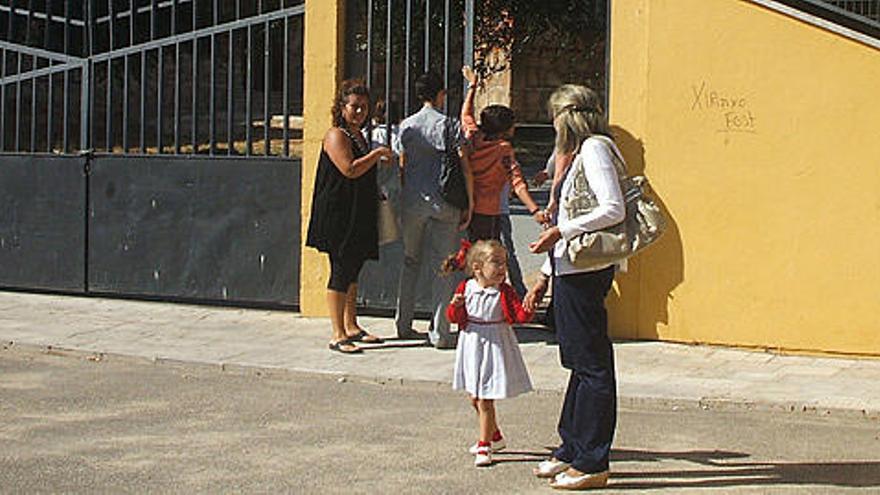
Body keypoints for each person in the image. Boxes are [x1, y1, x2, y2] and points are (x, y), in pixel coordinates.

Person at [523, 84, 626, 490]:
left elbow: (612, 207)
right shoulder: (580, 151)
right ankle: (572, 446)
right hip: (570, 268)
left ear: (568, 117)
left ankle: (593, 459)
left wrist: (561, 230)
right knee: (580, 360)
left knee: (593, 365)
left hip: (585, 269)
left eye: (555, 117)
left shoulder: (596, 148)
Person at [305, 79, 393, 354]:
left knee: (353, 269)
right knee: (341, 270)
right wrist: (378, 154)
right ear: (341, 107)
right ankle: (337, 333)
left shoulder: (358, 135)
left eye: (364, 107)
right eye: (354, 106)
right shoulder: (336, 135)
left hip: (358, 210)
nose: (359, 112)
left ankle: (351, 325)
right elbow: (350, 169)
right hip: (339, 214)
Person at [395, 72, 472, 349]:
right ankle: (440, 331)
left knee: (410, 261)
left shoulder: (406, 126)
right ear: (440, 94)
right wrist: (469, 201)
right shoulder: (449, 125)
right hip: (445, 201)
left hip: (413, 200)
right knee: (445, 266)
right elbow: (463, 165)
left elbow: (401, 164)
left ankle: (403, 324)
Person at [444, 239, 533, 467]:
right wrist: (455, 306)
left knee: (485, 398)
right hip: (472, 343)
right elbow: (455, 318)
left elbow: (519, 317)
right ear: (477, 267)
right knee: (474, 396)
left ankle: (484, 444)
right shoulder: (466, 288)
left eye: (504, 263)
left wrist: (529, 305)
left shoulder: (504, 291)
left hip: (494, 344)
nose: (502, 269)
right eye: (496, 263)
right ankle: (495, 436)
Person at [460, 66, 546, 241]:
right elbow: (517, 182)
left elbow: (466, 114)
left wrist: (473, 86)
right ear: (504, 129)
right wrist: (534, 209)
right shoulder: (502, 149)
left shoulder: (473, 135)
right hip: (488, 210)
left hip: (465, 204)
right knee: (486, 253)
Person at [498, 184, 527, 297]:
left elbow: (518, 185)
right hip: (485, 210)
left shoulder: (507, 166)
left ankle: (519, 292)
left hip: (499, 211)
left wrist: (534, 210)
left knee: (507, 253)